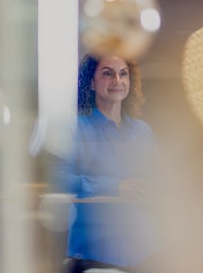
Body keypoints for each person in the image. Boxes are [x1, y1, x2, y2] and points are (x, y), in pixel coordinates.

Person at [52, 53, 159, 273]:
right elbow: (58, 179)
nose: (117, 81)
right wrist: (114, 187)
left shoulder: (142, 131)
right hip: (95, 255)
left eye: (123, 74)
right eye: (107, 74)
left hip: (145, 253)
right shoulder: (75, 128)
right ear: (92, 82)